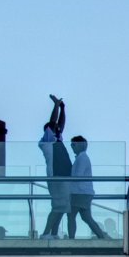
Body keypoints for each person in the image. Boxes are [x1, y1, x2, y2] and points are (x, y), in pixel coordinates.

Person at [37, 95, 72, 239]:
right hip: (57, 177)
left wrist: (63, 108)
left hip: (65, 176)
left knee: (64, 207)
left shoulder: (57, 139)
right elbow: (53, 122)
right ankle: (46, 233)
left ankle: (53, 233)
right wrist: (56, 105)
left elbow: (60, 125)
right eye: (54, 129)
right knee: (58, 206)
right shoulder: (47, 140)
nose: (58, 129)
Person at [65, 134, 106, 237]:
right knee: (86, 218)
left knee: (71, 216)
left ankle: (71, 240)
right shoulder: (82, 158)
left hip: (79, 192)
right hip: (84, 192)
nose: (72, 147)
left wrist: (67, 180)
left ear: (80, 145)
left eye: (73, 144)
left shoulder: (82, 158)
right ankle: (101, 237)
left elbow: (78, 176)